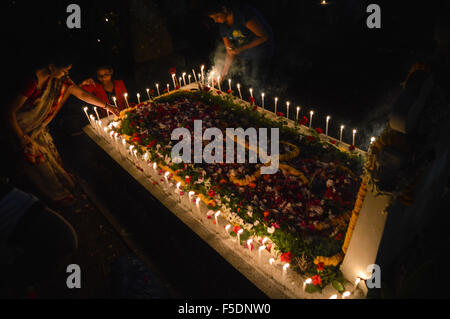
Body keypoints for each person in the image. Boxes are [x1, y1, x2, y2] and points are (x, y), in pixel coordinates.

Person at [2, 56, 119, 207]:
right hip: (18, 131)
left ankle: (65, 192)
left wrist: (108, 106)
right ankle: (56, 199)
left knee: (55, 164)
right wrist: (21, 138)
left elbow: (82, 94)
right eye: (64, 70)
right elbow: (7, 112)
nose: (66, 74)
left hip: (38, 131)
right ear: (51, 67)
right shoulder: (32, 82)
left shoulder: (60, 81)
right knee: (41, 168)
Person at [0, 177, 78, 298]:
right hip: (14, 210)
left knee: (64, 239)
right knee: (65, 239)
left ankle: (21, 282)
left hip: (16, 205)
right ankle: (19, 284)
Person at [206, 2, 274, 86]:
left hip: (261, 52)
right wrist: (222, 76)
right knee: (247, 82)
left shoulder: (243, 15)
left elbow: (264, 36)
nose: (216, 21)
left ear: (224, 9)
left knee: (256, 82)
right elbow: (230, 52)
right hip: (246, 54)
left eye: (217, 16)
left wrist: (241, 48)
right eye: (213, 18)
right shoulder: (223, 27)